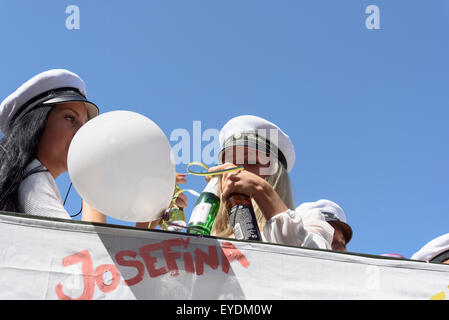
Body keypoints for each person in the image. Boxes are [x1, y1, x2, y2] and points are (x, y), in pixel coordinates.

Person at [208, 115, 334, 250]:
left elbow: (313, 260)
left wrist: (260, 190)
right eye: (232, 163)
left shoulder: (308, 219)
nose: (237, 171)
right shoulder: (207, 228)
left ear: (275, 175)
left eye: (251, 162)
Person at [0, 69, 98, 219]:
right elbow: (71, 241)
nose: (81, 133)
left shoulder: (23, 177)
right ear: (37, 124)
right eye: (70, 118)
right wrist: (95, 190)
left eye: (84, 125)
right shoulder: (34, 177)